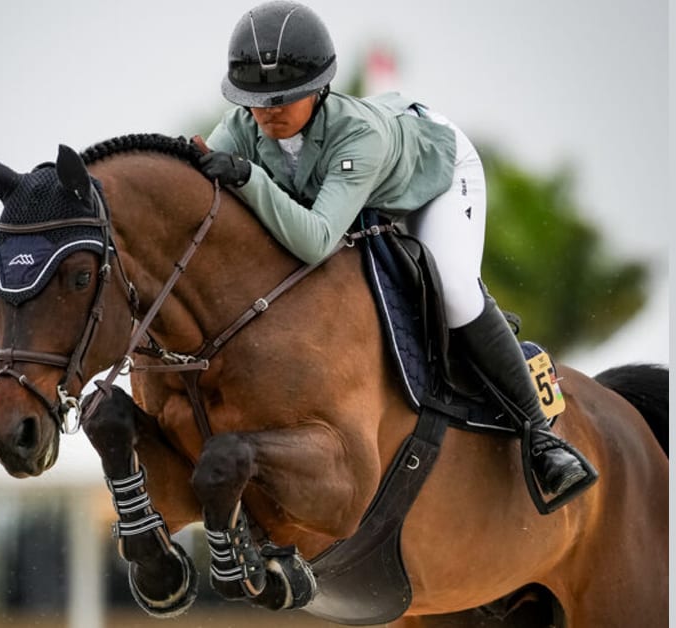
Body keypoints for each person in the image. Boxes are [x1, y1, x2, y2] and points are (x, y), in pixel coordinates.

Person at [198, 0, 591, 499]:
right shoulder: (237, 130)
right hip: (359, 193)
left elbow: (316, 240)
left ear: (319, 90)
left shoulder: (356, 134)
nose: (268, 111)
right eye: (257, 99)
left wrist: (249, 177)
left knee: (452, 289)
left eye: (284, 98)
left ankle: (541, 436)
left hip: (436, 178)